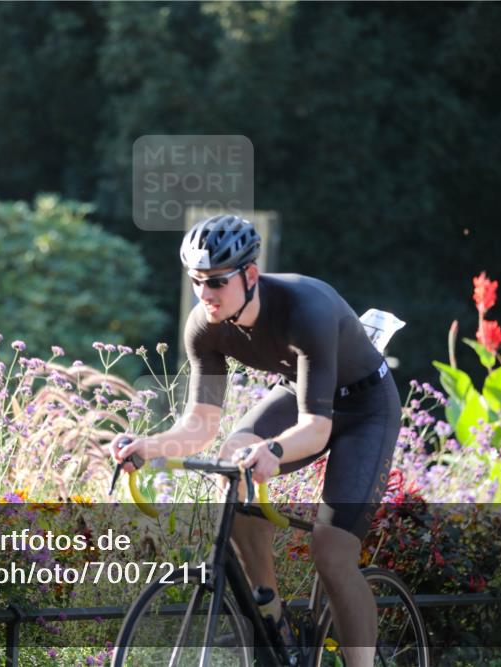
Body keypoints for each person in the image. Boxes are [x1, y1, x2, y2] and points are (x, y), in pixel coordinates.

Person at [109, 214, 399, 667]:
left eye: (216, 282)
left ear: (249, 275)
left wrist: (274, 450)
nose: (205, 294)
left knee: (332, 550)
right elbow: (201, 426)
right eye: (197, 281)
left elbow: (317, 429)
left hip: (365, 409)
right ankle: (270, 617)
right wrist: (149, 446)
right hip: (302, 396)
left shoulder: (307, 308)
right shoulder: (205, 327)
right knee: (231, 463)